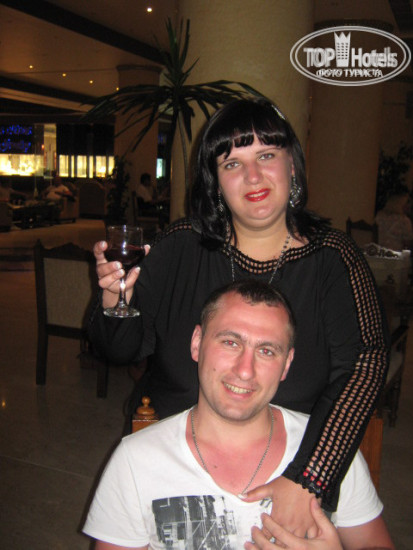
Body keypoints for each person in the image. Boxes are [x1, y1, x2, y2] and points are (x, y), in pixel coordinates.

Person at [89, 98, 388, 530]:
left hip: (289, 470)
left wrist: (309, 478)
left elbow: (365, 365)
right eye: (232, 163)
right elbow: (119, 351)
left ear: (292, 166)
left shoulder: (334, 258)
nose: (252, 176)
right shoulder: (180, 245)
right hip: (172, 466)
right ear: (215, 182)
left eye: (266, 155)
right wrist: (113, 300)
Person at [83, 281, 394, 550]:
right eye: (230, 342)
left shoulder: (329, 450)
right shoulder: (135, 460)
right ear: (197, 343)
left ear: (286, 364)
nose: (245, 370)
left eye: (266, 351)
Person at [375, 186, 413, 251]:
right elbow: (408, 243)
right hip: (396, 254)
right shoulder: (404, 221)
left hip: (379, 252)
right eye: (407, 202)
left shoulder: (379, 215)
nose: (409, 205)